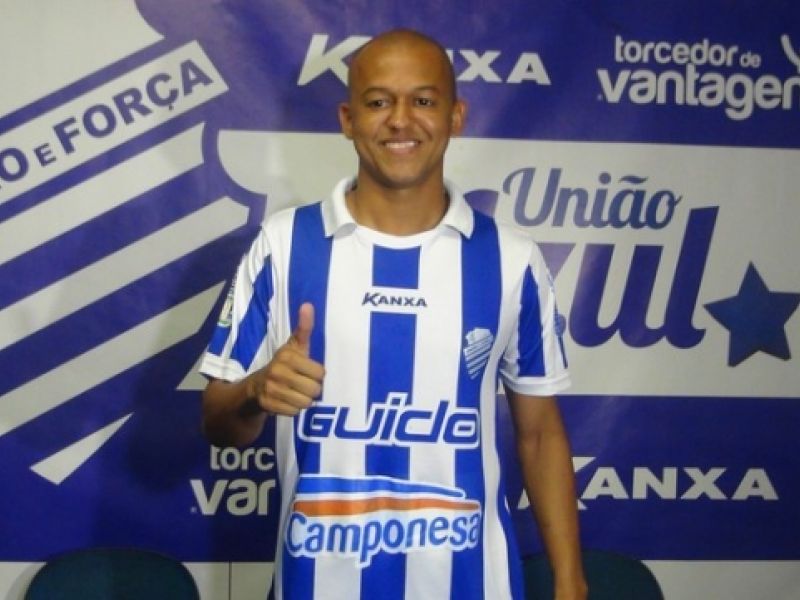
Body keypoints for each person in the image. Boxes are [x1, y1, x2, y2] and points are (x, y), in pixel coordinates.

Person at [200, 28, 587, 600]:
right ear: (348, 119)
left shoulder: (511, 258)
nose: (401, 120)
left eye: (423, 100)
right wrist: (257, 390)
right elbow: (218, 424)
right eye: (379, 101)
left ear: (455, 116)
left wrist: (570, 580)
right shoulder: (282, 245)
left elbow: (538, 433)